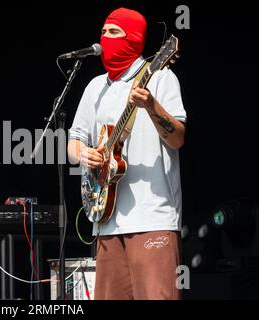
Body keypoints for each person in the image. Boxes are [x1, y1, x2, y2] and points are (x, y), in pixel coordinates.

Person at [67, 7, 187, 300]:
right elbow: (73, 142)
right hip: (106, 222)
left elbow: (178, 139)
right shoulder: (95, 87)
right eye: (103, 31)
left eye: (114, 32)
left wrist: (150, 106)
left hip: (152, 218)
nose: (105, 37)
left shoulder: (160, 77)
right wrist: (85, 155)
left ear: (133, 38)